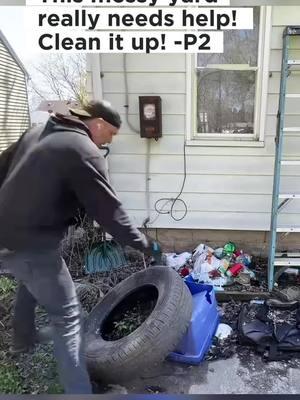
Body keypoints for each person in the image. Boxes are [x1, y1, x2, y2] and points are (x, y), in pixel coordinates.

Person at [0, 100, 159, 394]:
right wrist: (145, 244)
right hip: (33, 241)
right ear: (97, 123)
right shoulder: (84, 150)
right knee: (70, 319)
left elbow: (1, 168)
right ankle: (80, 392)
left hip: (7, 236)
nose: (110, 139)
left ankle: (23, 340)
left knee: (29, 277)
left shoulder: (37, 132)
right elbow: (110, 212)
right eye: (111, 133)